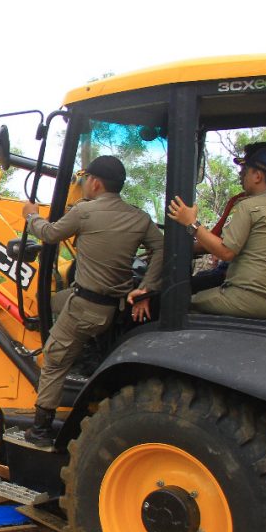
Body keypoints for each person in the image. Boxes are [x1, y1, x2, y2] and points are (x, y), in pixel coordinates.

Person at [21, 155, 164, 445]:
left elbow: (48, 233)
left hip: (86, 308)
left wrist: (31, 214)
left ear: (95, 182)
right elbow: (162, 247)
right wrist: (147, 288)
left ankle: (40, 429)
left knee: (54, 360)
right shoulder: (139, 218)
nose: (84, 183)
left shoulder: (85, 213)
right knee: (51, 302)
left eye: (85, 178)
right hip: (113, 307)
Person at [168, 144, 266, 319]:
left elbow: (226, 251)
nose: (241, 175)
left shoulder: (249, 206)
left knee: (176, 302)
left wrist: (191, 223)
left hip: (247, 299)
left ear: (257, 176)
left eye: (245, 171)